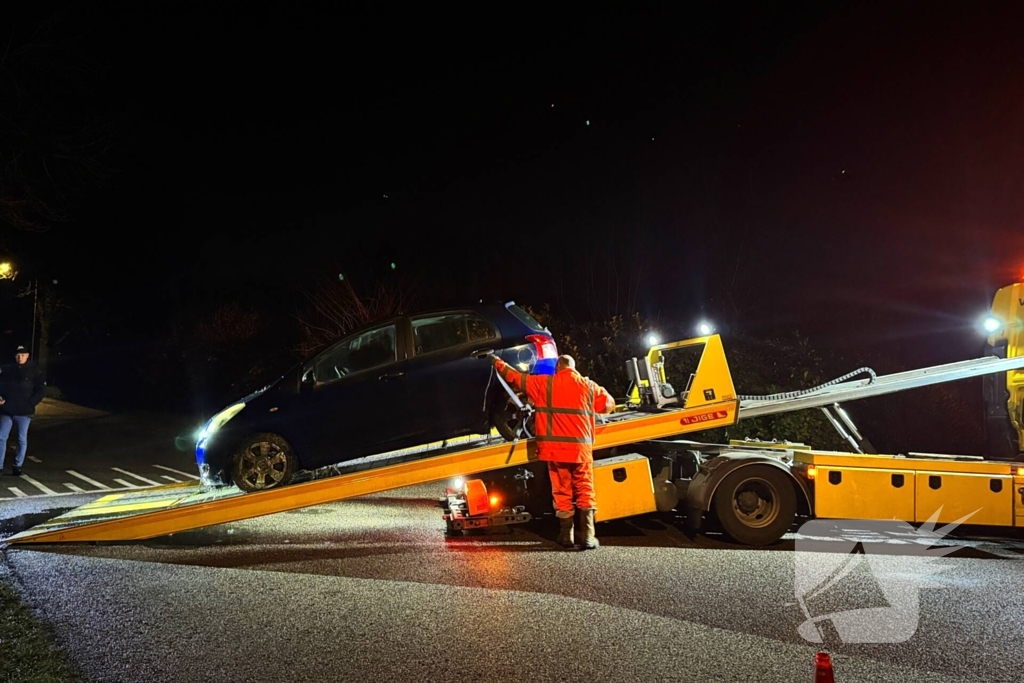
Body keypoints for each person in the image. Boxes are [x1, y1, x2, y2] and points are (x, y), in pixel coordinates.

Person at [488, 352, 615, 549]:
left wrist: (496, 361)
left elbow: (515, 377)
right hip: (580, 450)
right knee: (585, 489)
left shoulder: (545, 384)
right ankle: (589, 536)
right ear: (574, 368)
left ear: (558, 368)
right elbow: (608, 405)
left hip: (555, 451)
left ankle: (566, 535)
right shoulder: (588, 386)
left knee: (562, 491)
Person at [0, 345, 46, 477]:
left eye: (23, 355)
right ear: (15, 356)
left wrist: (30, 403)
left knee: (21, 439)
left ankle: (17, 465)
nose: (20, 357)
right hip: (7, 409)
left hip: (24, 411)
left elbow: (40, 390)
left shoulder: (35, 371)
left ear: (28, 356)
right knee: (1, 438)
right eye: (18, 355)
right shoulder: (8, 370)